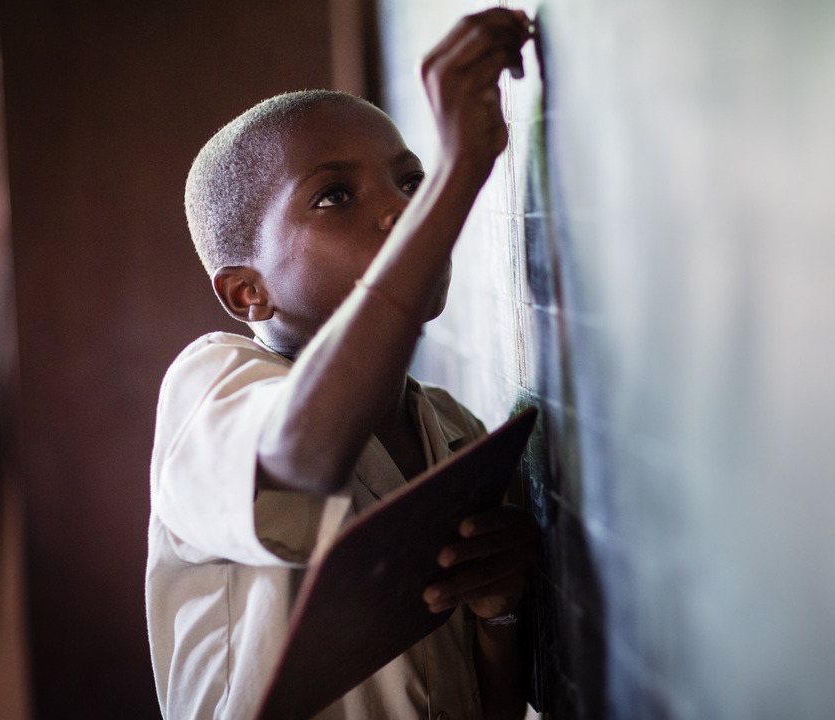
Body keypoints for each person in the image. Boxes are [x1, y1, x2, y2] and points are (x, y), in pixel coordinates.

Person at [145, 9, 537, 720]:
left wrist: (499, 615)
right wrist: (455, 178)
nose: (401, 211)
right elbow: (302, 459)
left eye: (412, 182)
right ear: (248, 292)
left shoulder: (455, 433)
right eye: (335, 196)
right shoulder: (214, 386)